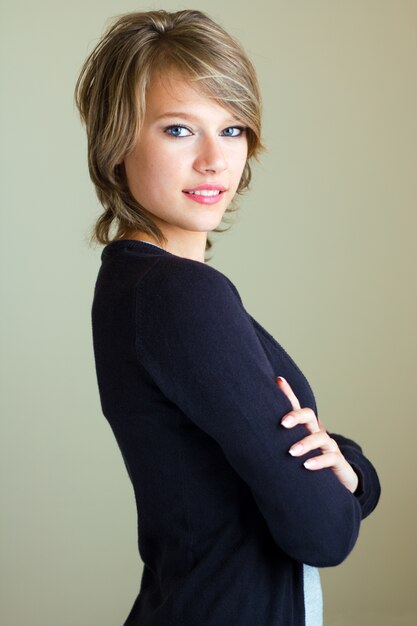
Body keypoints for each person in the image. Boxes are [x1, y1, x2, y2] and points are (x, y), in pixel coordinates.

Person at [75, 9, 381, 626]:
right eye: (179, 130)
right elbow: (324, 532)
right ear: (118, 141)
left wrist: (342, 472)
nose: (215, 159)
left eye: (234, 128)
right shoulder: (179, 296)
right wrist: (358, 473)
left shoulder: (132, 285)